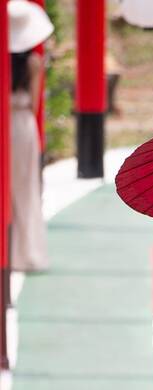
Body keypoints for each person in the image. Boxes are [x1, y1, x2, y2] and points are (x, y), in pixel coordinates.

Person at [9, 0, 52, 272]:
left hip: (5, 125)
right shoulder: (34, 63)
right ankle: (27, 252)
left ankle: (8, 252)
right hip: (23, 124)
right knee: (26, 187)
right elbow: (35, 104)